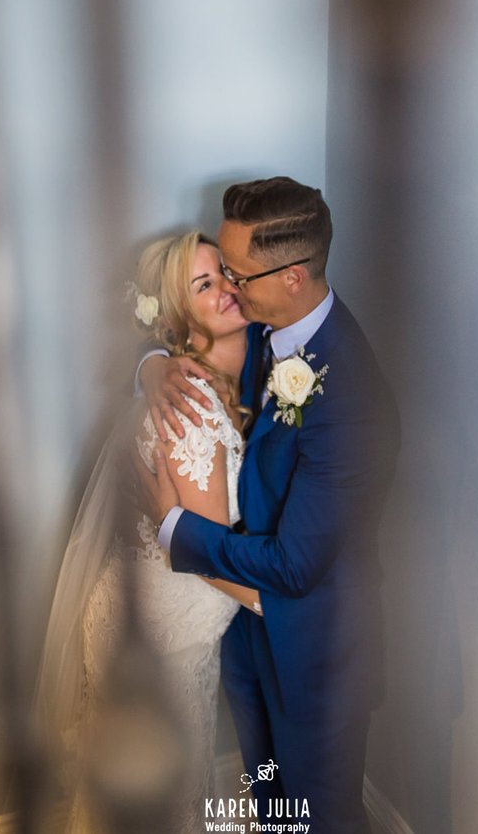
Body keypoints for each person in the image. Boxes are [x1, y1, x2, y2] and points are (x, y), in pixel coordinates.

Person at [138, 177, 400, 834]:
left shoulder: (351, 405)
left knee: (323, 817)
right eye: (217, 271)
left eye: (237, 273)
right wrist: (150, 365)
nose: (226, 285)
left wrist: (176, 530)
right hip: (247, 637)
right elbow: (182, 334)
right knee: (272, 806)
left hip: (315, 652)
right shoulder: (261, 326)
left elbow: (293, 566)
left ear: (291, 277)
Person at [35, 231, 261, 834]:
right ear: (177, 321)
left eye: (225, 273)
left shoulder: (193, 377)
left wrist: (151, 362)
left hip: (151, 621)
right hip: (162, 641)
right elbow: (207, 555)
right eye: (204, 284)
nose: (228, 289)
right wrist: (280, 603)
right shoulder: (195, 414)